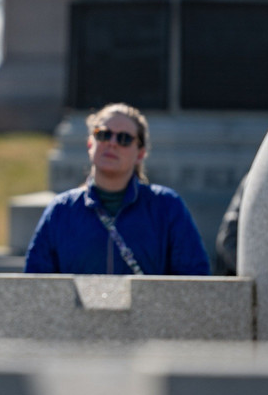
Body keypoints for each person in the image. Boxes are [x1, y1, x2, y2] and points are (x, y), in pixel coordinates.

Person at [24, 103, 209, 276]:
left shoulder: (167, 207)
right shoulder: (61, 210)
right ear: (90, 144)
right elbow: (36, 287)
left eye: (124, 139)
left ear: (141, 153)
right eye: (103, 134)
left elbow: (194, 284)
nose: (112, 143)